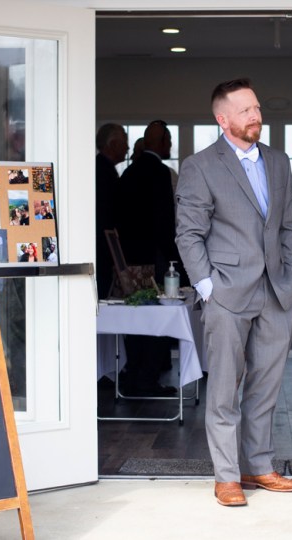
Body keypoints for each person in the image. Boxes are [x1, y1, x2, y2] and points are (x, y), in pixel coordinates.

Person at [176, 78, 292, 507]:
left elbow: (287, 226)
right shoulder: (200, 166)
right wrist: (207, 287)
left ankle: (259, 466)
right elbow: (188, 234)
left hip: (276, 292)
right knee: (224, 389)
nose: (255, 116)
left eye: (257, 107)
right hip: (226, 293)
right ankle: (227, 476)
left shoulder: (279, 161)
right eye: (245, 110)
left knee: (265, 387)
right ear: (222, 118)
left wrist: (288, 271)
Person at [115, 119, 180, 396]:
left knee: (135, 317)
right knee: (159, 317)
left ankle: (133, 372)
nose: (170, 145)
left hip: (129, 257)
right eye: (169, 140)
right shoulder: (161, 173)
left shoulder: (129, 172)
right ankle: (148, 378)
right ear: (162, 142)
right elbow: (164, 221)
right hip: (155, 256)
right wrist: (175, 256)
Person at [95, 123, 128, 299]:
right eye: (124, 142)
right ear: (113, 144)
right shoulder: (102, 171)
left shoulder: (104, 168)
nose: (128, 147)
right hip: (102, 246)